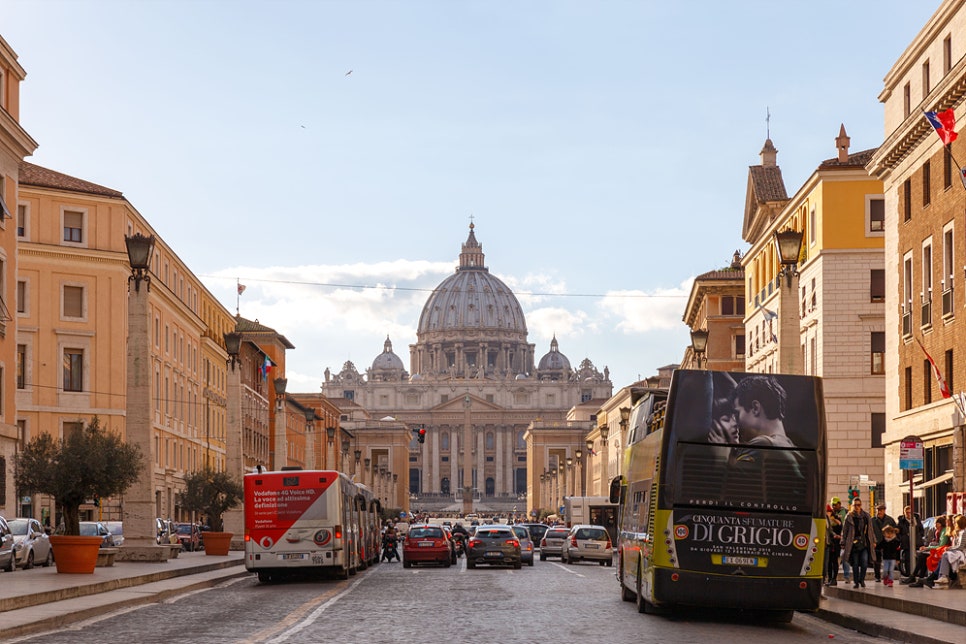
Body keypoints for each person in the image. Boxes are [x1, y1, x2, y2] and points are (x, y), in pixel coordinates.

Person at [913, 514, 966, 588]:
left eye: (955, 522)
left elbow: (960, 547)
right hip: (955, 552)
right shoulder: (957, 532)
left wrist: (949, 548)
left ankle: (936, 577)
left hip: (961, 554)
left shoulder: (963, 532)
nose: (954, 524)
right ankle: (930, 578)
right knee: (929, 556)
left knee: (943, 555)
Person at [842, 497, 877, 588]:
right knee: (855, 563)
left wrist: (873, 541)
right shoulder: (849, 516)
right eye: (855, 505)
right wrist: (843, 542)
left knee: (865, 562)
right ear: (852, 506)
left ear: (861, 505)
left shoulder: (866, 516)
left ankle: (862, 580)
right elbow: (845, 531)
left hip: (864, 543)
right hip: (853, 543)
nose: (857, 507)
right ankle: (856, 582)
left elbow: (871, 530)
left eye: (858, 505)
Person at [908, 516, 949, 586]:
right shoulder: (940, 531)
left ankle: (916, 578)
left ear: (940, 524)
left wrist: (927, 548)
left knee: (922, 556)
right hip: (940, 550)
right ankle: (917, 578)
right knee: (923, 556)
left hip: (941, 551)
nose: (935, 525)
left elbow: (941, 545)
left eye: (936, 523)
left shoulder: (944, 532)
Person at [897, 505, 924, 581]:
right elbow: (899, 532)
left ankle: (917, 573)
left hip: (916, 542)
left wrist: (918, 536)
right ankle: (909, 574)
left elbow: (921, 529)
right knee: (907, 559)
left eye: (910, 512)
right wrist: (903, 538)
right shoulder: (901, 521)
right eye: (907, 512)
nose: (908, 514)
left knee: (918, 558)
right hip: (906, 543)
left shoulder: (916, 519)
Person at [872, 503, 897, 582]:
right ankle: (877, 576)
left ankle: (888, 577)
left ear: (884, 511)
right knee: (876, 561)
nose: (879, 512)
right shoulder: (872, 520)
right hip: (877, 542)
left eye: (881, 510)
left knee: (888, 561)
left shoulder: (890, 519)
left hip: (888, 543)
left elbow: (895, 530)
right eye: (878, 510)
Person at [825, 497, 845, 586]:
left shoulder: (836, 518)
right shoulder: (825, 520)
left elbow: (840, 527)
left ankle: (834, 579)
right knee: (829, 562)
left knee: (834, 561)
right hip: (829, 542)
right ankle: (830, 578)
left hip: (836, 542)